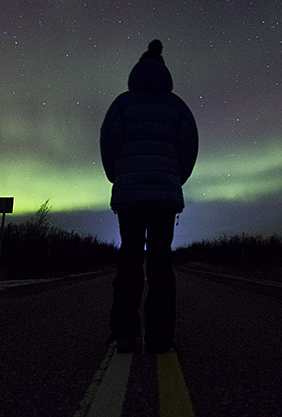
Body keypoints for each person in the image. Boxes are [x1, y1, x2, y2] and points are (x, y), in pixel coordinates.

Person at [100, 39, 198, 354]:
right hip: (163, 199)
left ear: (137, 72)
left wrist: (119, 176)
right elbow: (189, 148)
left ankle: (126, 334)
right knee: (160, 264)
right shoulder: (178, 106)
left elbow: (108, 144)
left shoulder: (122, 104)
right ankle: (159, 337)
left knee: (129, 261)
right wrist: (173, 179)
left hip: (129, 197)